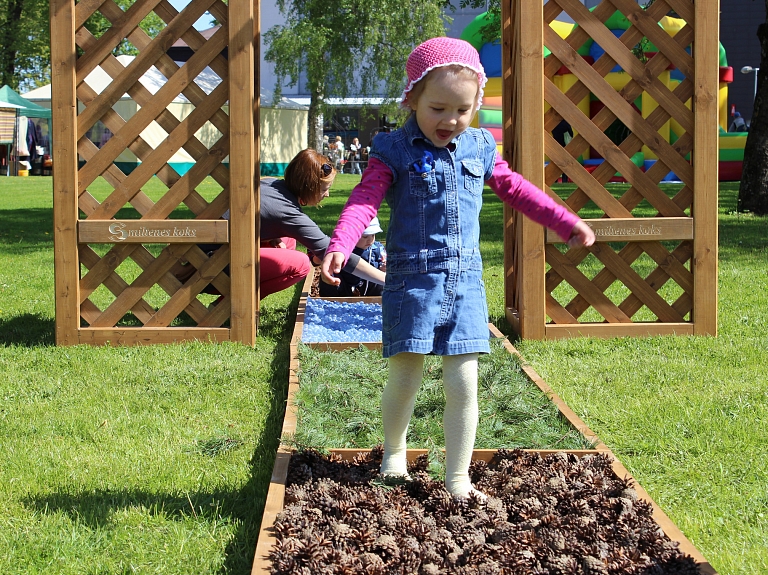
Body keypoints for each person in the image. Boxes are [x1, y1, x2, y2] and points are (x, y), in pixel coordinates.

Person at [320, 37, 595, 499]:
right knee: (406, 374)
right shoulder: (392, 149)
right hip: (412, 283)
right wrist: (341, 242)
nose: (450, 120)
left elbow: (518, 190)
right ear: (412, 100)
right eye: (438, 108)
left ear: (476, 106)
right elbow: (363, 200)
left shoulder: (480, 147)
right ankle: (393, 454)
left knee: (464, 380)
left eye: (463, 110)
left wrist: (564, 222)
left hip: (465, 283)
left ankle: (458, 478)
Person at [173, 149, 384, 300]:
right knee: (300, 264)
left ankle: (229, 303)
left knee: (287, 240)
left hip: (193, 258)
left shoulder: (271, 183)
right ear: (308, 186)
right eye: (323, 189)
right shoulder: (287, 212)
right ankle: (231, 306)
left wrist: (272, 237)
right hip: (205, 269)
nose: (326, 195)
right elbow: (337, 251)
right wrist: (385, 279)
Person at [318, 216, 387, 297]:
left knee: (381, 280)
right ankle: (331, 300)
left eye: (373, 235)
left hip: (368, 284)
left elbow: (383, 261)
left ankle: (378, 299)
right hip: (345, 283)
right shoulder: (343, 248)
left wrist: (383, 267)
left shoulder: (377, 248)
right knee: (330, 277)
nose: (370, 240)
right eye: (365, 236)